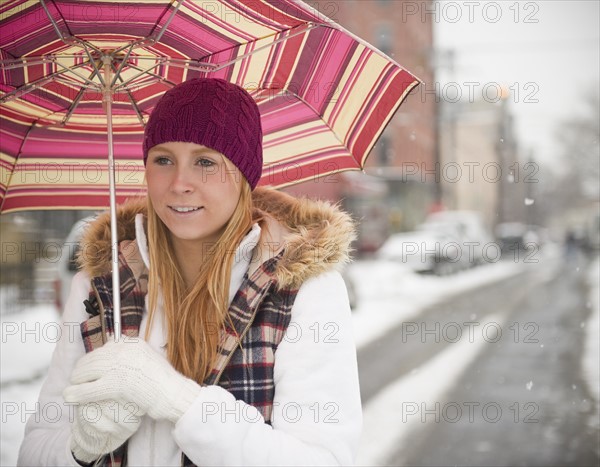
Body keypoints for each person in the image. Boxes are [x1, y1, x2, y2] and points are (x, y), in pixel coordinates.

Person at [18, 78, 362, 466]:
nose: (180, 184)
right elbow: (33, 452)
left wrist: (177, 400)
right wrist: (80, 447)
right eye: (163, 159)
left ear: (243, 174)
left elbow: (321, 459)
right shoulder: (100, 286)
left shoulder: (300, 289)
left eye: (205, 162)